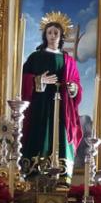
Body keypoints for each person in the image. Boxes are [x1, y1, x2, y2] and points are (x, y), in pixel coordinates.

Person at [21, 17, 82, 180]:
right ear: (45, 36)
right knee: (39, 132)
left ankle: (61, 173)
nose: (53, 35)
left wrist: (73, 88)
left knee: (60, 133)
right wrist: (39, 80)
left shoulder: (68, 60)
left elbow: (76, 81)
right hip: (40, 105)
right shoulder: (35, 57)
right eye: (49, 32)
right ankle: (35, 171)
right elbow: (24, 78)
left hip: (62, 106)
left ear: (61, 36)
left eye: (56, 32)